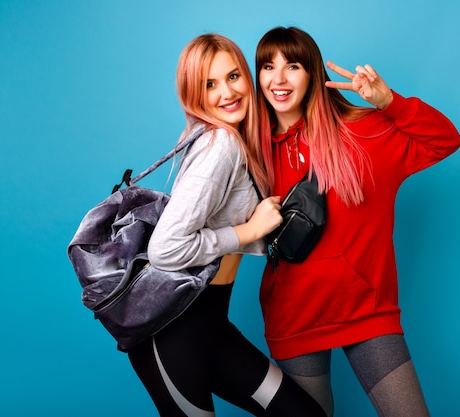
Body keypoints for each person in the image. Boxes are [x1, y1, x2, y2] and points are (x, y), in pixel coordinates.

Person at [255, 27, 460, 417]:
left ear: (312, 73)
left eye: (292, 66)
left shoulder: (364, 133)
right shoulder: (253, 151)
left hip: (368, 313)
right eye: (268, 67)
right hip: (295, 318)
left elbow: (445, 140)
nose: (278, 79)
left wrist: (390, 103)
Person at [126, 33, 326, 417]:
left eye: (233, 76)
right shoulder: (221, 144)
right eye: (209, 84)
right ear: (194, 93)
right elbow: (164, 249)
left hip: (212, 325)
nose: (227, 93)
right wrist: (249, 231)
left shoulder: (235, 139)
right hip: (172, 333)